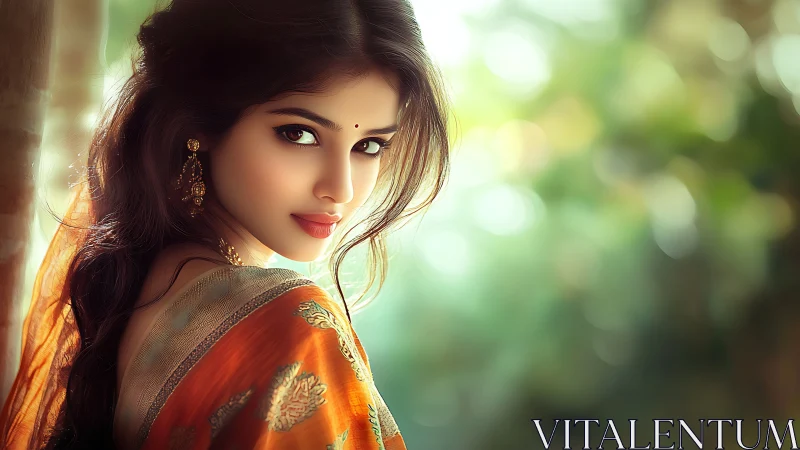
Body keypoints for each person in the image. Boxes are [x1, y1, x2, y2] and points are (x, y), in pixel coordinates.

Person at [0, 0, 451, 448]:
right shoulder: (289, 326)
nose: (341, 188)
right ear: (201, 124)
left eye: (369, 146)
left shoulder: (143, 281)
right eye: (299, 133)